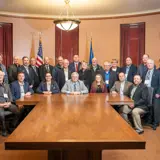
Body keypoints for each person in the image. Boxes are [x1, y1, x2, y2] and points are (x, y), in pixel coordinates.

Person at [0, 71, 19, 136]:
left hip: (7, 103)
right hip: (0, 105)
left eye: (1, 75)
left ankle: (11, 126)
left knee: (17, 111)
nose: (0, 77)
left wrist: (9, 102)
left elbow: (10, 95)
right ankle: (4, 130)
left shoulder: (7, 85)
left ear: (3, 76)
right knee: (1, 115)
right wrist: (1, 105)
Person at [142, 59, 160, 129]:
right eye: (148, 63)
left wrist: (158, 93)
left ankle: (156, 123)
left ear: (153, 64)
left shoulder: (158, 72)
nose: (149, 65)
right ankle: (149, 121)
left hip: (155, 93)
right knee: (149, 107)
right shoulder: (144, 72)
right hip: (147, 92)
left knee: (156, 108)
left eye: (150, 63)